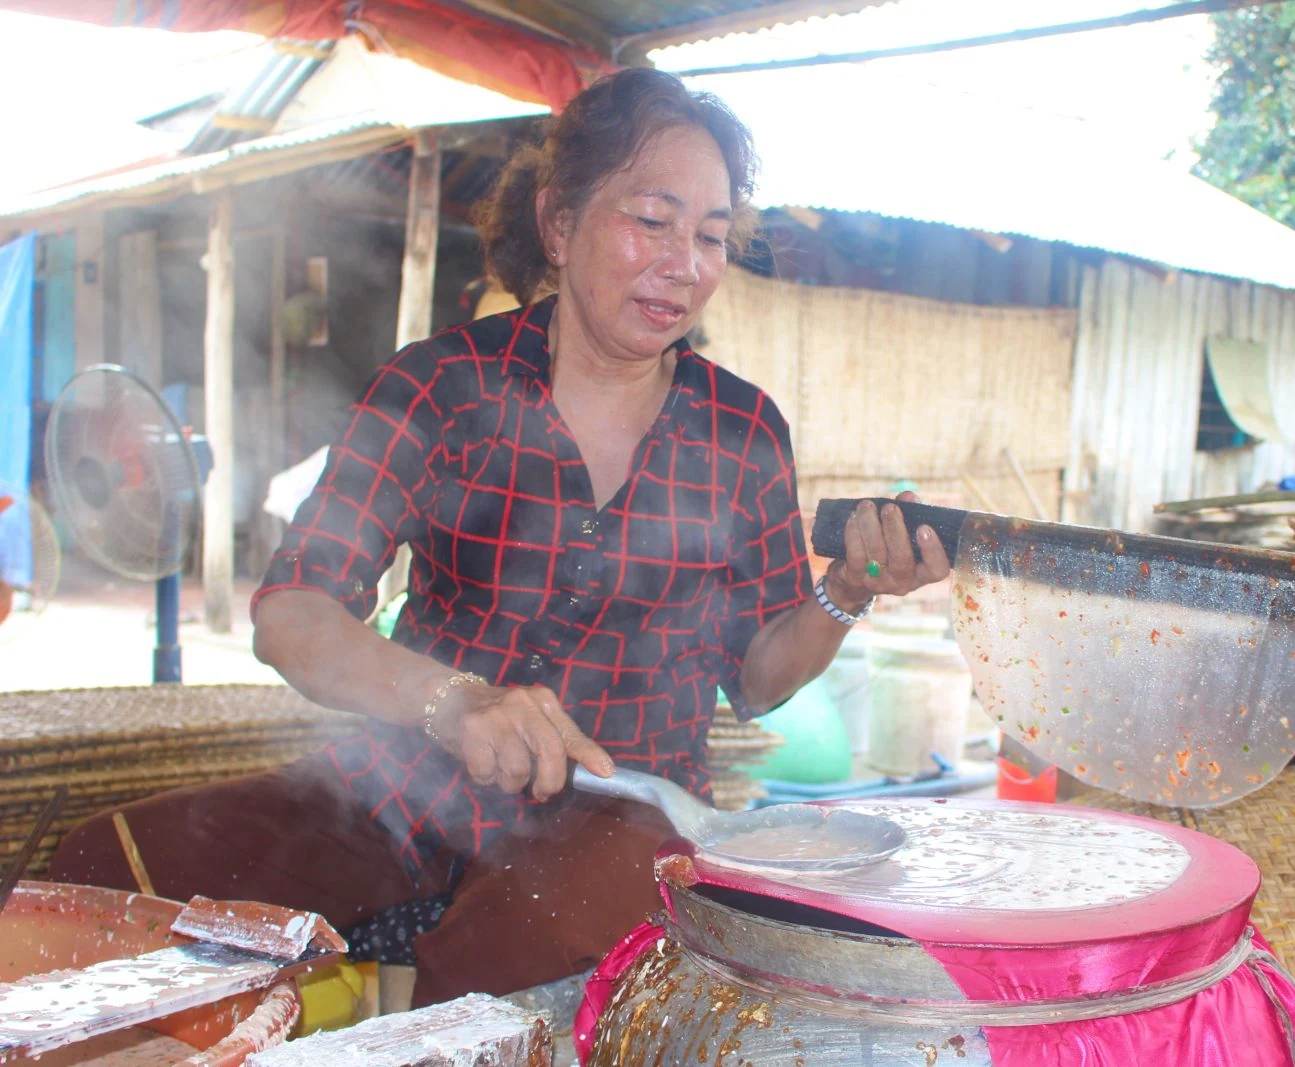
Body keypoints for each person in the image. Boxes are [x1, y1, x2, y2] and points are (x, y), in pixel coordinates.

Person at [49, 68, 950, 1006]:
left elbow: (759, 679)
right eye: (653, 219)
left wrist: (846, 589)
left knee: (482, 990)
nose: (686, 263)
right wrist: (456, 703)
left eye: (713, 236)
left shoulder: (742, 432)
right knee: (103, 875)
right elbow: (294, 612)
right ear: (559, 224)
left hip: (626, 818)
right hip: (401, 791)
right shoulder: (440, 386)